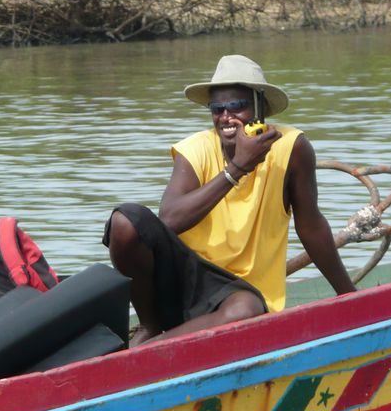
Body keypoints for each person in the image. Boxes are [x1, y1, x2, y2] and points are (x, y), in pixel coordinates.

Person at [104, 54, 356, 346]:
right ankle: (150, 326)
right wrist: (237, 168)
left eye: (238, 106)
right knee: (125, 222)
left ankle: (146, 351)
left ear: (260, 107)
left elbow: (311, 227)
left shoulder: (292, 148)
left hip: (242, 293)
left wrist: (349, 295)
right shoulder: (195, 149)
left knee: (244, 311)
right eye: (217, 108)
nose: (226, 117)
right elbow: (170, 219)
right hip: (189, 276)